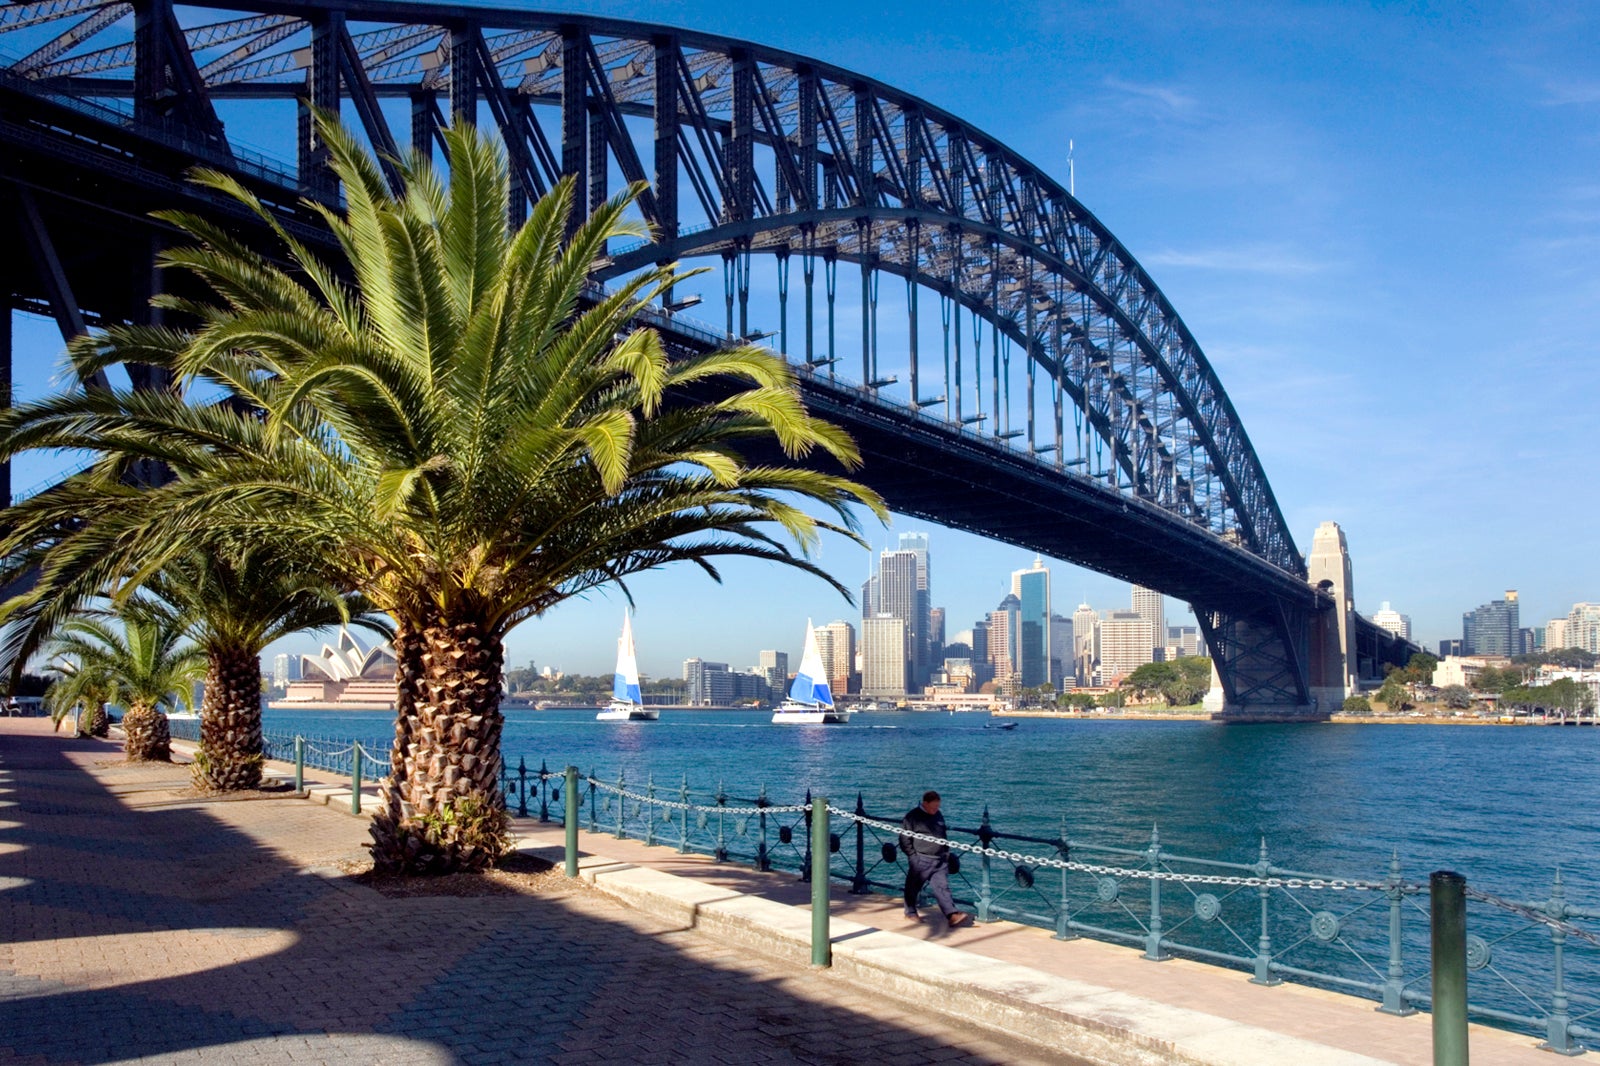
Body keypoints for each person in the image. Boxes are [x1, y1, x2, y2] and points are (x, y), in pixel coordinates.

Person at [899, 790, 972, 927]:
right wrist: (913, 857)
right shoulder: (912, 817)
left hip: (940, 859)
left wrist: (946, 853)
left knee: (942, 887)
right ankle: (910, 912)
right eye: (933, 807)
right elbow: (904, 838)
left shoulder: (938, 814)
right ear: (925, 803)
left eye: (937, 807)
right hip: (921, 859)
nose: (935, 810)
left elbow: (942, 833)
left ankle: (952, 915)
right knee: (913, 886)